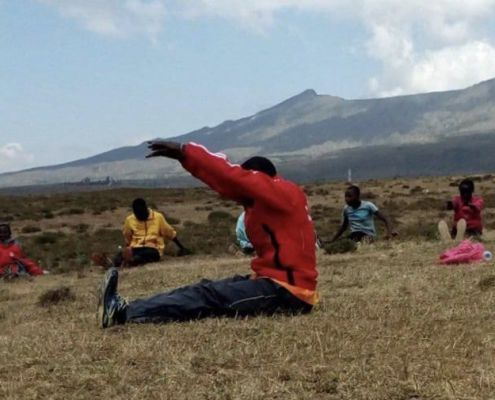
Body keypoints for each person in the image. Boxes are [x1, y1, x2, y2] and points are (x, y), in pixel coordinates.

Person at [98, 141, 319, 328]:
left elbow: (231, 177)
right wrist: (188, 162)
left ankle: (123, 315)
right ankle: (127, 308)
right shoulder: (275, 199)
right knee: (201, 289)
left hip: (288, 293)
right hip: (274, 284)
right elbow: (226, 185)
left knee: (207, 297)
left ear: (259, 181)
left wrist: (187, 151)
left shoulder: (281, 192)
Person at [92, 198, 190, 269]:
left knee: (151, 254)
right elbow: (127, 235)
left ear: (146, 209)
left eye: (141, 214)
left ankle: (130, 261)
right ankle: (109, 263)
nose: (139, 216)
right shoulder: (129, 220)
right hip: (136, 247)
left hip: (153, 248)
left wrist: (182, 248)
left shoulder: (158, 217)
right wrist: (128, 248)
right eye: (137, 214)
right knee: (121, 255)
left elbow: (170, 233)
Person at [330, 185, 397, 243]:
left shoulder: (368, 205)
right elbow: (344, 227)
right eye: (346, 196)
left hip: (368, 236)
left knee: (356, 237)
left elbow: (385, 218)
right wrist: (332, 240)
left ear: (357, 196)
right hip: (354, 235)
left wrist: (389, 232)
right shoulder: (346, 209)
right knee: (344, 241)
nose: (347, 199)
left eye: (350, 196)